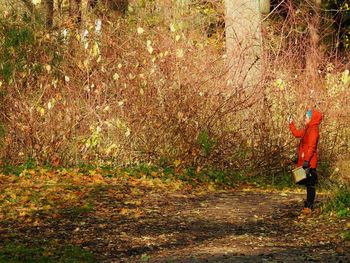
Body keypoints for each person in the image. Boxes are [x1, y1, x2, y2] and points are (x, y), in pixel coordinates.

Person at [289, 108, 323, 214]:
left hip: (310, 162)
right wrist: (291, 123)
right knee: (305, 182)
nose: (305, 118)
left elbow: (312, 147)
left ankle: (309, 206)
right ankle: (308, 204)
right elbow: (297, 134)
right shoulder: (308, 128)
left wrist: (307, 160)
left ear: (311, 118)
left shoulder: (313, 130)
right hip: (305, 160)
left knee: (310, 183)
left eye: (307, 117)